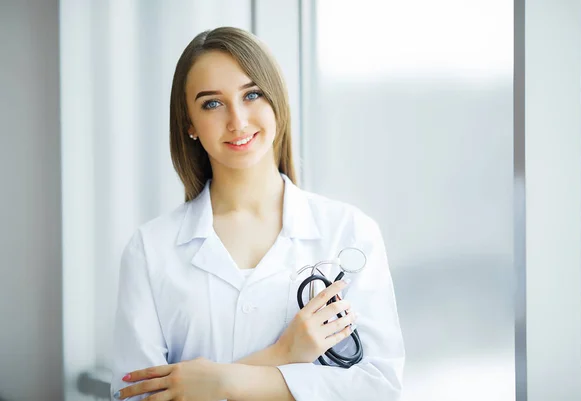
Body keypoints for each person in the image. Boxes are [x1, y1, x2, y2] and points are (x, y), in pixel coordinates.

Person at [110, 26, 405, 401]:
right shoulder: (150, 251)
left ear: (276, 101)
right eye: (212, 103)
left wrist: (222, 384)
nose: (237, 120)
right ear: (189, 124)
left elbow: (379, 388)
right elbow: (137, 396)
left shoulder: (349, 233)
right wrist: (281, 357)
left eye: (252, 95)